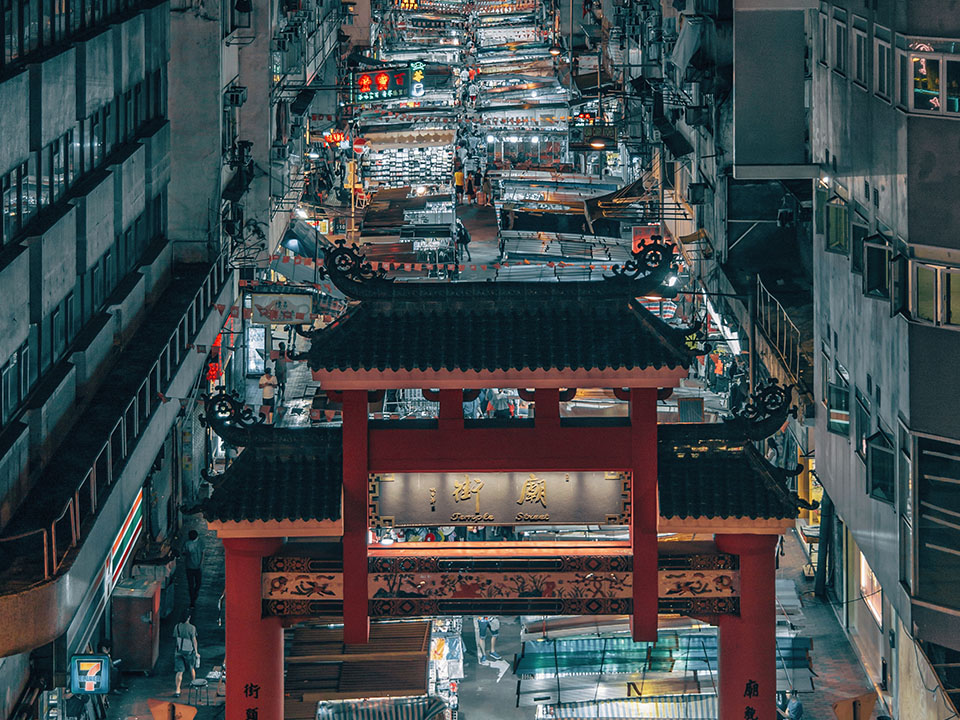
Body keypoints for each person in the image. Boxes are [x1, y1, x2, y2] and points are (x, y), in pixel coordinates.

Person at [173, 609, 198, 697]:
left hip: (179, 651)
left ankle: (177, 690)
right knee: (191, 668)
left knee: (179, 671)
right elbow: (194, 640)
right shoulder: (192, 628)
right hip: (189, 651)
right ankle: (193, 683)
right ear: (189, 617)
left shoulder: (177, 626)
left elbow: (176, 638)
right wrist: (196, 652)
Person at [183, 529, 204, 607]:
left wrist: (201, 564)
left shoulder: (200, 542)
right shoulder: (187, 543)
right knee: (192, 584)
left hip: (194, 567)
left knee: (196, 584)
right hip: (191, 567)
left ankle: (194, 596)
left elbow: (203, 553)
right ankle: (192, 600)